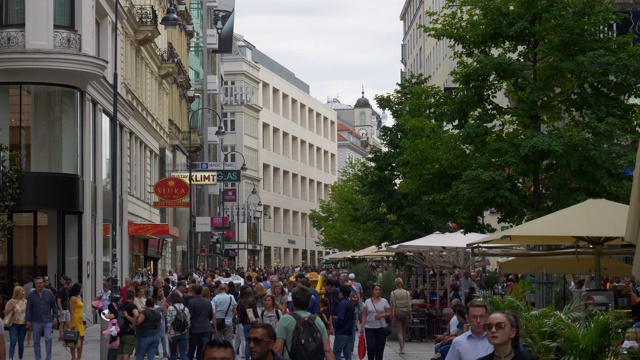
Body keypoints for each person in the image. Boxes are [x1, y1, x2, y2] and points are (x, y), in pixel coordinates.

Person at [273, 286, 334, 360]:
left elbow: (278, 349)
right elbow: (327, 350)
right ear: (309, 303)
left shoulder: (285, 320)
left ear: (292, 302)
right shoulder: (317, 320)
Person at [25, 276, 58, 360]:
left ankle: (48, 358)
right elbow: (28, 308)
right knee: (36, 341)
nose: (39, 285)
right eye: (37, 283)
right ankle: (38, 358)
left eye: (40, 283)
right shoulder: (31, 295)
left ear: (43, 283)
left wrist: (55, 317)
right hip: (36, 321)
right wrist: (28, 320)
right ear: (35, 284)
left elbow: (54, 306)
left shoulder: (49, 293)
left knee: (48, 338)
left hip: (47, 320)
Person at [361, 283, 391, 360]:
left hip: (381, 328)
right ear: (372, 290)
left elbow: (389, 313)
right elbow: (364, 314)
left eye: (379, 290)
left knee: (379, 349)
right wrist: (362, 326)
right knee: (370, 348)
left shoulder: (384, 301)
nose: (377, 291)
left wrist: (382, 315)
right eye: (376, 289)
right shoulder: (367, 301)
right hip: (369, 328)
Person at [187, 284, 214, 360]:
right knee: (203, 350)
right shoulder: (208, 302)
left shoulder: (191, 302)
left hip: (195, 329)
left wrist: (188, 329)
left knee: (191, 350)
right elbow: (210, 315)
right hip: (206, 328)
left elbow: (189, 316)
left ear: (193, 292)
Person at [390, 277, 411, 354]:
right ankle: (403, 346)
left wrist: (391, 314)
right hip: (405, 313)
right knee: (404, 330)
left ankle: (401, 348)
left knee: (399, 331)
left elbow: (392, 304)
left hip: (397, 313)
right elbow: (409, 304)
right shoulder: (406, 293)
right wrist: (410, 314)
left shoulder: (393, 293)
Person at [5, 285, 27, 360]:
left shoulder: (25, 302)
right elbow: (5, 313)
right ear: (18, 292)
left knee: (21, 343)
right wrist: (11, 307)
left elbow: (28, 313)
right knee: (13, 341)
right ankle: (11, 358)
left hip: (23, 325)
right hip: (13, 324)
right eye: (22, 291)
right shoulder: (11, 301)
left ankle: (20, 357)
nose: (24, 292)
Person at [166, 291, 190, 360]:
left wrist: (168, 333)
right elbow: (188, 322)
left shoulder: (170, 308)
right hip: (183, 332)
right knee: (183, 353)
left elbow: (169, 321)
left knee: (173, 354)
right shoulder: (185, 308)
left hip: (173, 333)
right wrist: (187, 333)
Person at [333, 285, 355, 360]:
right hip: (349, 331)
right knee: (347, 352)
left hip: (341, 331)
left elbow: (340, 318)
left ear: (341, 293)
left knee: (336, 352)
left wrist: (335, 326)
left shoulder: (342, 303)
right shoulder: (350, 303)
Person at [237, 288, 260, 360]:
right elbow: (255, 311)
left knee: (247, 343)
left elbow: (240, 313)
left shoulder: (241, 302)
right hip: (253, 323)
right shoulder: (252, 301)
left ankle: (247, 358)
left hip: (245, 324)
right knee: (255, 342)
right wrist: (258, 318)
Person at [117, 289, 140, 360]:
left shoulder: (121, 305)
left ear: (126, 296)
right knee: (126, 354)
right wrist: (133, 325)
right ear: (133, 297)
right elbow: (136, 315)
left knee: (120, 354)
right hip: (129, 333)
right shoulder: (132, 306)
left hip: (121, 331)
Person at [68, 283, 85, 360]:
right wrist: (73, 322)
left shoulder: (79, 297)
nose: (82, 290)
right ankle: (73, 357)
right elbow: (71, 310)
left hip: (80, 321)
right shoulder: (73, 298)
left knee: (81, 339)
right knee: (73, 339)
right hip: (75, 320)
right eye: (81, 289)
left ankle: (79, 357)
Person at [151, 286, 169, 358]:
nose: (160, 293)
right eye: (159, 291)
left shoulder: (164, 299)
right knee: (155, 335)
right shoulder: (152, 299)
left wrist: (157, 307)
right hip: (153, 318)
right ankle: (156, 351)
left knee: (162, 336)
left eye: (161, 291)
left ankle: (165, 351)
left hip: (161, 318)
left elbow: (162, 308)